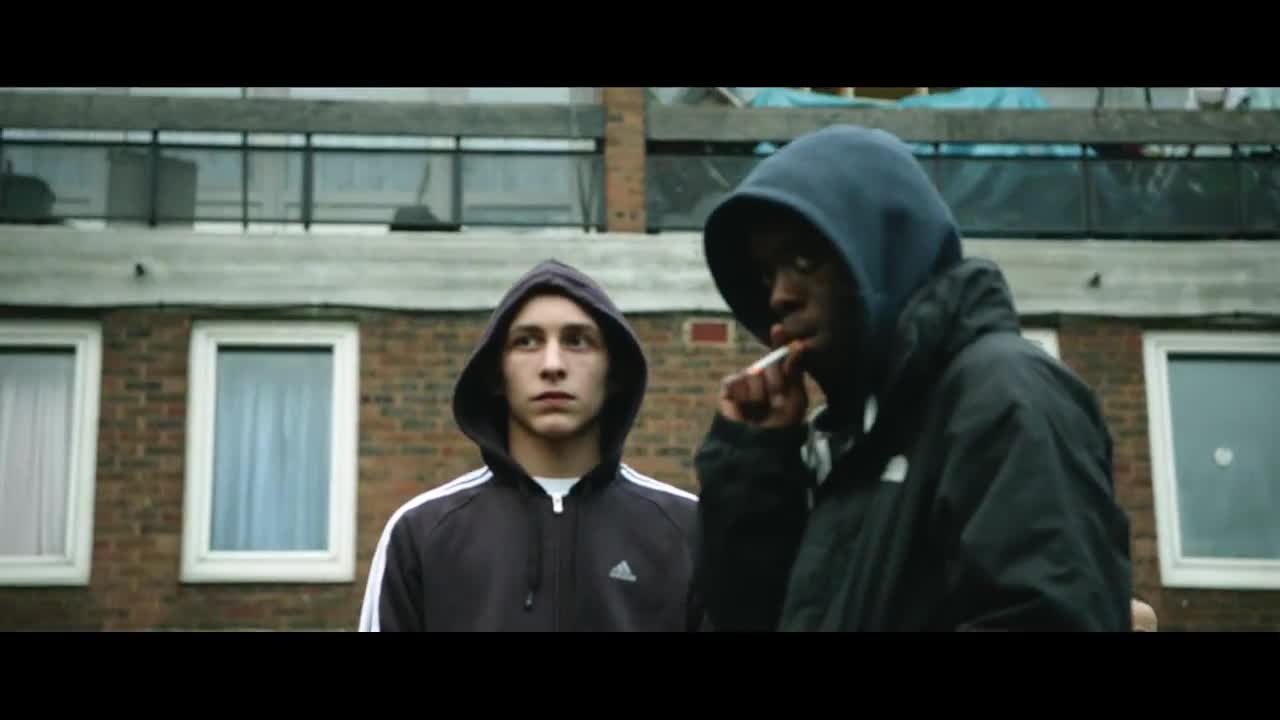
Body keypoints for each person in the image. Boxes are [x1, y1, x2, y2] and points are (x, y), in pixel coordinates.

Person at [693, 125, 1133, 631]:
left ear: (884, 249)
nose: (779, 296)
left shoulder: (1003, 393)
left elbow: (1046, 616)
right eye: (767, 275)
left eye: (804, 260)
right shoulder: (851, 439)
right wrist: (754, 466)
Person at [358, 259, 704, 631]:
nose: (552, 365)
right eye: (527, 342)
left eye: (577, 341)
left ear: (614, 371)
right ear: (496, 373)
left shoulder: (688, 529)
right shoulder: (422, 531)